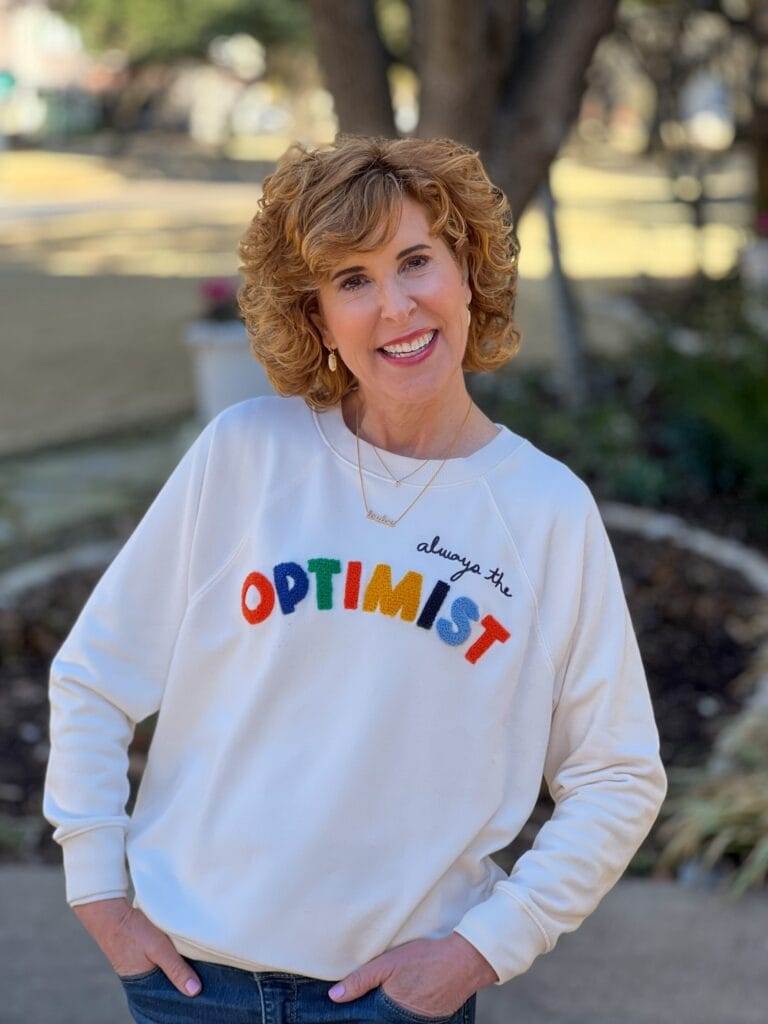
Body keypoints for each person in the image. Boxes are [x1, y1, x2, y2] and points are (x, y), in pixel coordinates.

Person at [43, 133, 668, 1023]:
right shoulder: (246, 456)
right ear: (316, 314)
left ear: (469, 269)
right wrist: (97, 887)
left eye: (416, 261)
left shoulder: (543, 510)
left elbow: (616, 773)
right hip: (190, 987)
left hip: (396, 1000)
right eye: (353, 280)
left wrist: (486, 948)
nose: (396, 308)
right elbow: (94, 677)